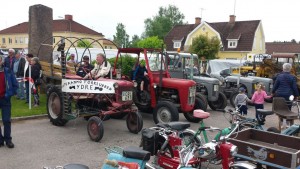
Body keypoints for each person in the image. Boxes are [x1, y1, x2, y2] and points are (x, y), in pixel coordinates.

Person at [0, 56, 18, 148]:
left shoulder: (7, 71)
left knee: (6, 120)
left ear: (1, 61)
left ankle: (8, 140)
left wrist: (11, 93)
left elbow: (15, 84)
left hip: (5, 98)